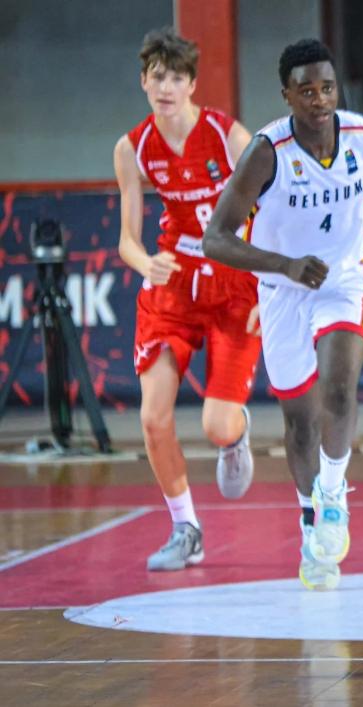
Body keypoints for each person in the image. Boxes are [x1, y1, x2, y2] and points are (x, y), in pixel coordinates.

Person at [203, 39, 363, 591]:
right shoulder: (267, 153)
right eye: (306, 90)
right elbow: (215, 239)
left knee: (339, 387)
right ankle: (308, 519)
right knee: (299, 421)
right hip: (283, 289)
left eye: (327, 87)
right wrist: (285, 265)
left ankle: (334, 496)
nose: (319, 99)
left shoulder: (362, 135)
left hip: (347, 276)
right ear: (287, 96)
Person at [115, 28, 259, 572]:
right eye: (158, 78)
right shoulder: (134, 148)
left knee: (216, 424)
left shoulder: (228, 136)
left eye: (177, 78)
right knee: (154, 418)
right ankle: (185, 528)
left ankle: (234, 437)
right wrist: (140, 261)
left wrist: (270, 285)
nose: (167, 87)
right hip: (172, 284)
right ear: (145, 83)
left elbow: (271, 214)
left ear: (193, 84)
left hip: (232, 286)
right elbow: (127, 238)